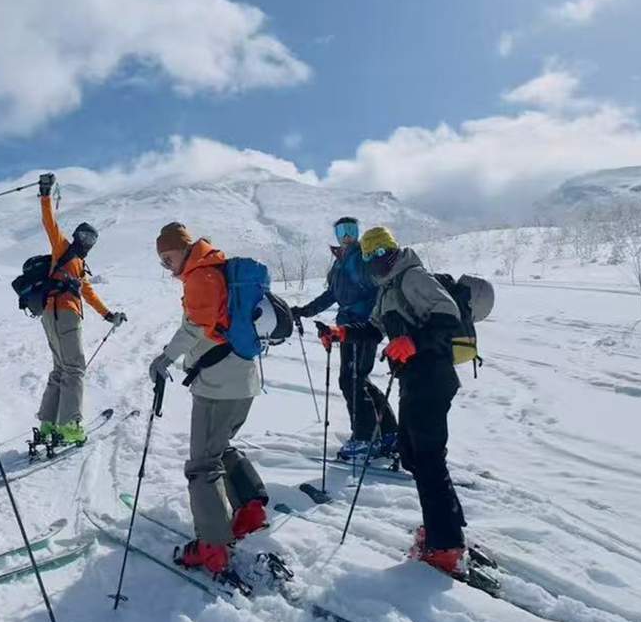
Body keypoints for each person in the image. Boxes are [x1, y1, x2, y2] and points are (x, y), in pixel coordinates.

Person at [318, 226, 469, 578]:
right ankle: (445, 526)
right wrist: (342, 333)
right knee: (413, 453)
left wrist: (414, 341)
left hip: (432, 375)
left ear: (393, 250)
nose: (376, 261)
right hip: (413, 379)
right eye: (370, 257)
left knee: (427, 457)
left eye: (381, 253)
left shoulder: (413, 277)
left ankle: (445, 546)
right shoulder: (387, 289)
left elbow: (449, 317)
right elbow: (373, 329)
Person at [148, 222, 269, 575]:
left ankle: (212, 547)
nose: (166, 266)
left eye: (167, 257)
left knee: (203, 464)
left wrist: (164, 358)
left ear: (182, 248)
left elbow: (194, 328)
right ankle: (249, 509)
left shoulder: (200, 276)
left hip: (218, 385)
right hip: (242, 380)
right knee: (221, 446)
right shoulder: (217, 268)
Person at [292, 216, 398, 460]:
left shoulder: (363, 258)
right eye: (341, 231)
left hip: (363, 326)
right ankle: (389, 433)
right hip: (347, 326)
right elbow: (332, 295)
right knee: (359, 379)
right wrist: (305, 310)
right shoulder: (339, 263)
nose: (347, 235)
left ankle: (365, 438)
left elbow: (376, 286)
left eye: (351, 230)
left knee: (352, 379)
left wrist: (373, 319)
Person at [35, 173, 126, 445]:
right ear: (76, 236)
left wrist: (108, 314)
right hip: (64, 314)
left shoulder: (77, 266)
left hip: (49, 315)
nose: (87, 241)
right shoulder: (63, 248)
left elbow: (88, 292)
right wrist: (45, 194)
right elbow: (50, 223)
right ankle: (70, 425)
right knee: (75, 368)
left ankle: (49, 423)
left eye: (92, 239)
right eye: (85, 236)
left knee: (60, 369)